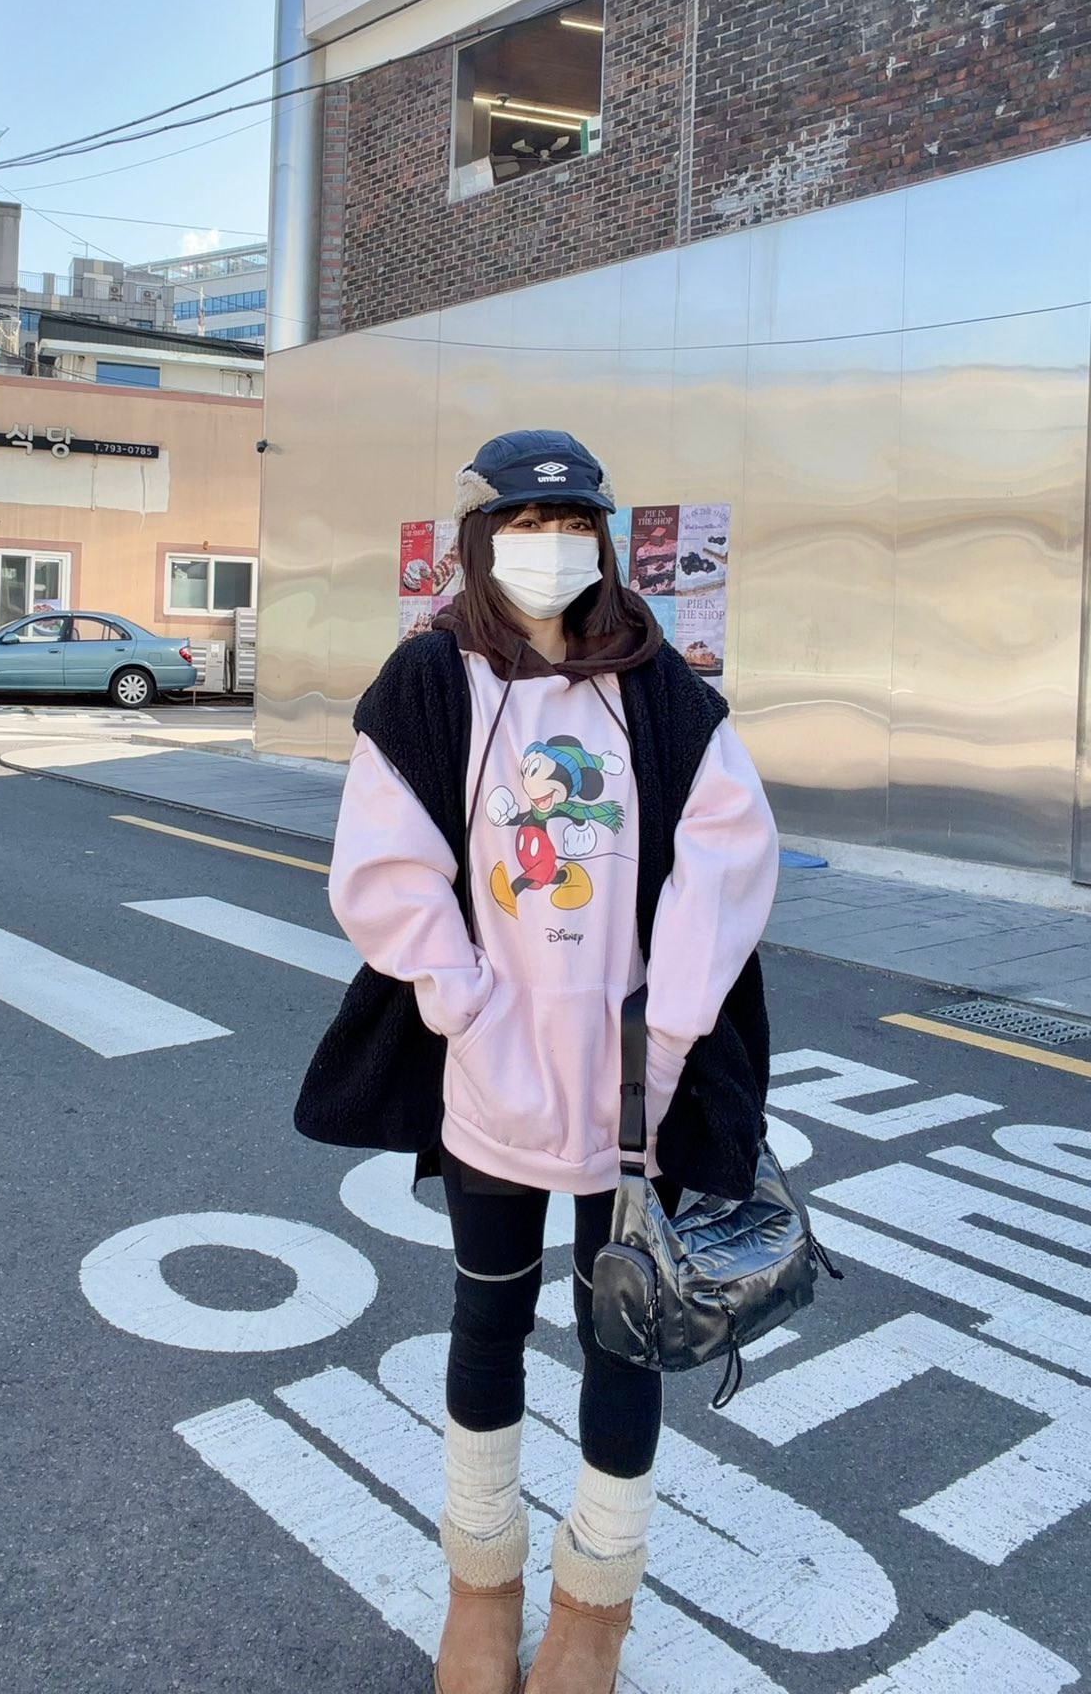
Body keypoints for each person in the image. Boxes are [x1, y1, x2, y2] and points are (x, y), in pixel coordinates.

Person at [296, 430, 779, 1694]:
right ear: (479, 538)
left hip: (636, 1080)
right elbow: (385, 856)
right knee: (488, 1314)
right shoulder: (430, 677)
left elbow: (728, 858)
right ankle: (483, 1582)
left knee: (625, 1330)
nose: (548, 548)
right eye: (522, 524)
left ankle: (596, 1604)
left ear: (603, 540)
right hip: (493, 1074)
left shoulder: (658, 683)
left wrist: (671, 1030)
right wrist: (459, 998)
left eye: (571, 525)